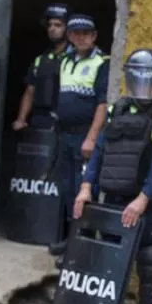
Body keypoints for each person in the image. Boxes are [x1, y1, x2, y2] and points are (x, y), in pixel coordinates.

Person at [72, 48, 152, 304]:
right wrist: (86, 186)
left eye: (150, 77)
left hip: (147, 202)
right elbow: (99, 150)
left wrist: (143, 199)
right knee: (108, 259)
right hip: (112, 198)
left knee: (149, 258)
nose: (145, 83)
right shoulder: (117, 109)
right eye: (139, 76)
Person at [48, 13, 109, 257]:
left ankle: (81, 248)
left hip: (85, 137)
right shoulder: (64, 61)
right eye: (77, 33)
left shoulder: (102, 63)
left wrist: (92, 138)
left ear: (94, 36)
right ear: (70, 36)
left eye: (87, 33)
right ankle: (70, 240)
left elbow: (102, 105)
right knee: (66, 190)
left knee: (83, 192)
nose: (82, 37)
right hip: (66, 136)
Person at [11, 3, 72, 132]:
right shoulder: (41, 59)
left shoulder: (75, 58)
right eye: (50, 25)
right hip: (40, 120)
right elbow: (29, 91)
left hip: (64, 122)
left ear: (67, 29)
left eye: (58, 25)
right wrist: (21, 119)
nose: (52, 29)